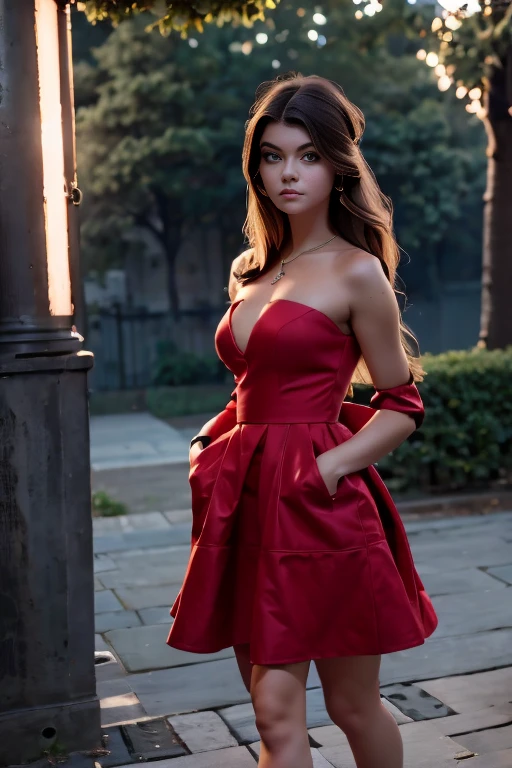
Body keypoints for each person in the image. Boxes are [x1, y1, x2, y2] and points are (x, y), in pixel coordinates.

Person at [167, 73, 438, 768]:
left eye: (309, 155)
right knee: (272, 709)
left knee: (352, 705)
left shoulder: (357, 272)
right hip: (246, 503)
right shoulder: (250, 272)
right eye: (273, 155)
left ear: (337, 168)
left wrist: (328, 467)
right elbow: (250, 388)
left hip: (323, 511)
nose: (288, 172)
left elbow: (401, 404)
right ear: (256, 166)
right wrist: (207, 441)